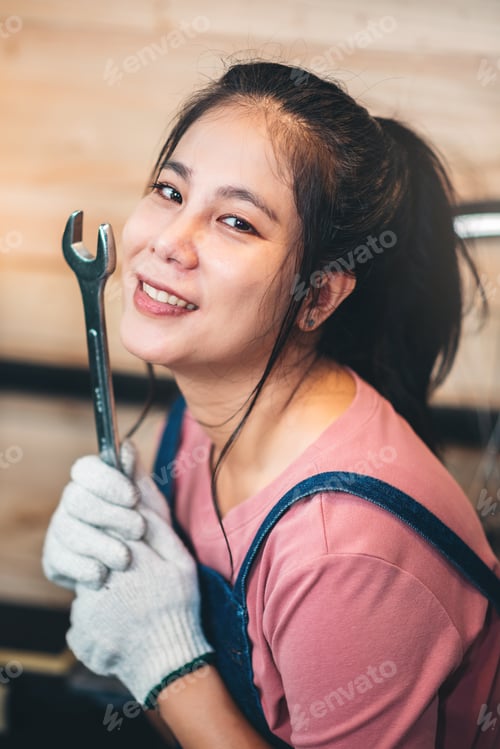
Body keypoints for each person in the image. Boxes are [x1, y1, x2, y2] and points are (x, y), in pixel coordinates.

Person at [42, 61, 500, 748]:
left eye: (236, 221)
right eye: (170, 190)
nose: (168, 241)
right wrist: (122, 554)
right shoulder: (198, 414)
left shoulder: (343, 550)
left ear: (317, 296)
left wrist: (166, 662)